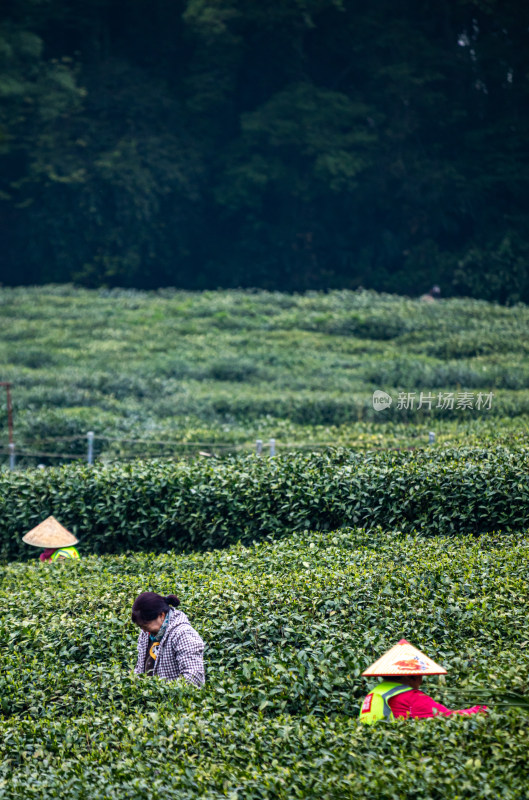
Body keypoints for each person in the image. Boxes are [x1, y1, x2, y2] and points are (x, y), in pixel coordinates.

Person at [359, 639, 488, 724]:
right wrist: (483, 710)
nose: (420, 681)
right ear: (412, 676)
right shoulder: (410, 697)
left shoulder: (373, 693)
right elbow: (448, 717)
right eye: (420, 675)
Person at [131, 592, 205, 686]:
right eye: (140, 626)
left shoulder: (183, 634)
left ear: (161, 616)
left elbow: (194, 677)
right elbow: (140, 667)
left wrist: (165, 692)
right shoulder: (147, 633)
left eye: (145, 625)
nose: (143, 630)